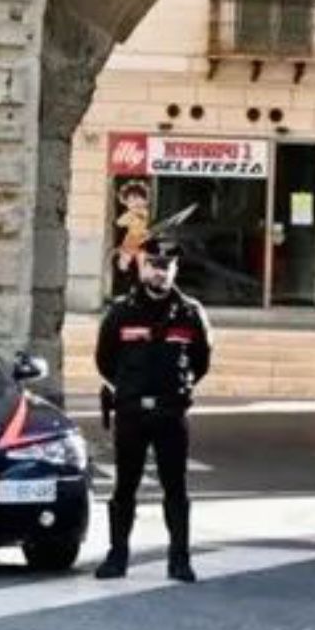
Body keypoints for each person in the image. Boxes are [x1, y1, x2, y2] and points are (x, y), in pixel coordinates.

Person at [93, 232, 213, 583]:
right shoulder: (121, 312)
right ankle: (117, 556)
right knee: (125, 487)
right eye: (154, 265)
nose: (161, 272)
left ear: (175, 270)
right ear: (142, 266)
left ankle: (180, 560)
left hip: (170, 414)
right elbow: (104, 359)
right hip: (132, 413)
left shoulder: (190, 313)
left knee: (175, 488)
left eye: (167, 266)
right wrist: (130, 389)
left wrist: (174, 392)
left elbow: (201, 361)